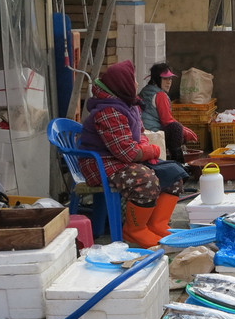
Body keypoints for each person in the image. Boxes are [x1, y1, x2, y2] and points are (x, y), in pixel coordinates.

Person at [79, 60, 188, 247]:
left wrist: (145, 147)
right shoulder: (108, 111)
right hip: (102, 163)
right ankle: (134, 230)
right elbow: (127, 152)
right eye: (133, 80)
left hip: (121, 160)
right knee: (145, 179)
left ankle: (157, 225)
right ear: (122, 84)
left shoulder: (129, 105)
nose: (136, 84)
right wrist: (151, 150)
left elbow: (140, 134)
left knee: (174, 173)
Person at [139, 63, 199, 164]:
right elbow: (167, 121)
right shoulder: (160, 95)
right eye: (165, 79)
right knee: (176, 129)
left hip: (142, 132)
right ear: (157, 79)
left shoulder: (145, 90)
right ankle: (178, 163)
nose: (169, 83)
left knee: (178, 127)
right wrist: (185, 131)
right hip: (153, 134)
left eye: (170, 79)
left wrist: (184, 129)